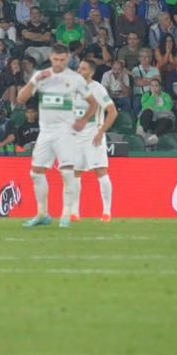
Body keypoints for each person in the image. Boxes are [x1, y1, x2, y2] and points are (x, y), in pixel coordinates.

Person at [16, 43, 98, 228]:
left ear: (68, 58)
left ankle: (66, 214)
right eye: (55, 59)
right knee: (36, 173)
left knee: (67, 172)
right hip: (45, 131)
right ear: (50, 57)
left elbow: (93, 103)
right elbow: (21, 98)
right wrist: (34, 81)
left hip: (65, 130)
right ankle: (42, 214)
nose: (59, 63)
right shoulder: (41, 75)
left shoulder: (75, 79)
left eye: (62, 60)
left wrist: (83, 120)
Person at [70, 59, 118, 222]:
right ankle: (75, 212)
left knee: (101, 171)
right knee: (75, 173)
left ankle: (106, 211)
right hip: (75, 137)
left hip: (93, 136)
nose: (78, 71)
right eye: (78, 68)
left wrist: (101, 132)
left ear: (91, 72)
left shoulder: (97, 89)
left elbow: (112, 112)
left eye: (82, 69)